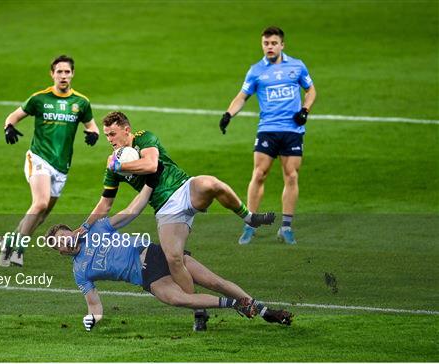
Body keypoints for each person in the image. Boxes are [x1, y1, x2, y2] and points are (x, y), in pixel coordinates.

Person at [76, 111, 275, 298]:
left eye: (112, 134)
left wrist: (120, 165)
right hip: (165, 209)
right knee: (173, 258)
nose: (109, 139)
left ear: (126, 130)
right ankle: (198, 309)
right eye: (106, 135)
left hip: (185, 188)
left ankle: (249, 217)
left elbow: (151, 164)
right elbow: (105, 203)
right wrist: (84, 227)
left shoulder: (143, 138)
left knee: (212, 184)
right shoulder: (112, 165)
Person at [45, 182, 293, 332]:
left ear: (72, 231)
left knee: (214, 282)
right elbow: (94, 305)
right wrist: (92, 319)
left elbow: (131, 210)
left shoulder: (97, 228)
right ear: (60, 252)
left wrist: (150, 184)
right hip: (146, 277)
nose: (66, 243)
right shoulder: (80, 271)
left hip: (154, 254)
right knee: (178, 299)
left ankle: (263, 311)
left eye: (65, 236)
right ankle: (235, 305)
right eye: (60, 245)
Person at [0, 55, 100, 267]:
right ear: (52, 74)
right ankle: (19, 249)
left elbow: (92, 125)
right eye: (59, 71)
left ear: (72, 74)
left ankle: (10, 241)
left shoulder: (81, 102)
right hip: (38, 157)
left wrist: (93, 134)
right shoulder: (39, 99)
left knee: (41, 215)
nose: (63, 75)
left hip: (62, 166)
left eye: (67, 72)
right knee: (40, 202)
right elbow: (13, 116)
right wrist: (8, 127)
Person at [219, 26, 317, 245]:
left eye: (274, 43)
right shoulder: (256, 71)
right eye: (266, 43)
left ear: (282, 45)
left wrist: (305, 110)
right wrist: (228, 114)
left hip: (292, 130)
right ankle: (250, 224)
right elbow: (242, 96)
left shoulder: (297, 66)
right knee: (259, 174)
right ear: (262, 45)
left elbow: (311, 90)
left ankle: (286, 228)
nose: (270, 47)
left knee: (291, 175)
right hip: (268, 129)